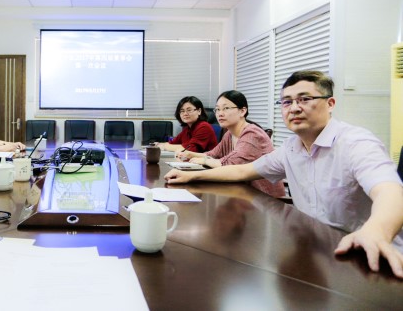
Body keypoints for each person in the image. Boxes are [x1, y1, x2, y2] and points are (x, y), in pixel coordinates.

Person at [165, 70, 403, 278]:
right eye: (287, 102)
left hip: (371, 258)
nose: (295, 108)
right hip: (315, 250)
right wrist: (191, 176)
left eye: (305, 99)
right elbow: (242, 170)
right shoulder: (291, 148)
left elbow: (391, 192)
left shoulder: (355, 142)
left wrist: (376, 232)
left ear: (330, 104)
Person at [176, 90, 285, 197]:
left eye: (226, 108)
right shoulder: (229, 134)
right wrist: (191, 154)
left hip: (265, 199)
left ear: (242, 111)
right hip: (243, 194)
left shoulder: (252, 134)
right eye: (217, 109)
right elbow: (213, 154)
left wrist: (203, 162)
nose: (220, 113)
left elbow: (231, 165)